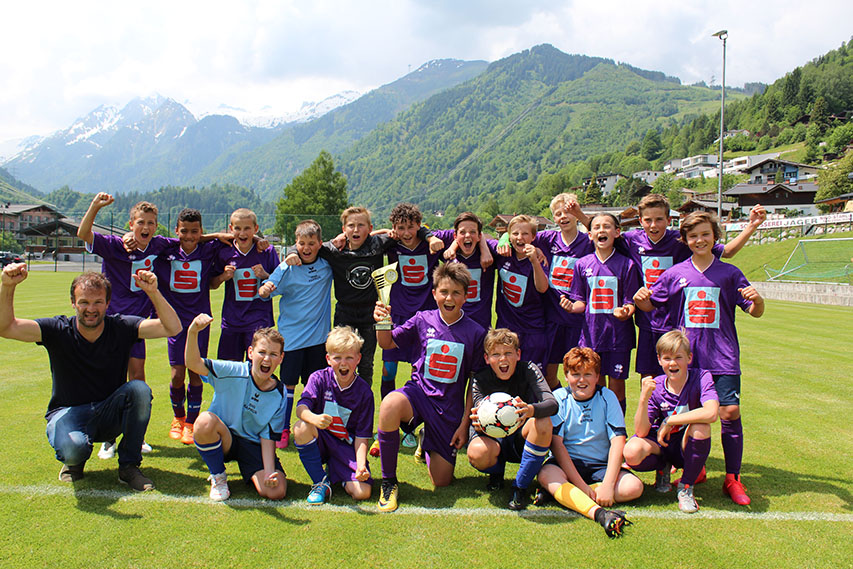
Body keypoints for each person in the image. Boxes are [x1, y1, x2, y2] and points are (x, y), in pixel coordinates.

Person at [0, 263, 182, 490]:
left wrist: (153, 292)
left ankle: (129, 467)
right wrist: (7, 286)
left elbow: (172, 327)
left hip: (109, 413)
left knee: (139, 390)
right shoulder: (58, 329)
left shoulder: (121, 327)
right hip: (68, 412)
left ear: (107, 303)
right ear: (73, 303)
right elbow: (6, 327)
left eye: (98, 302)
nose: (91, 309)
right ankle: (75, 462)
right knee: (72, 449)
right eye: (84, 302)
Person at [633, 211, 765, 506]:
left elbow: (754, 311)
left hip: (723, 355)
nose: (699, 240)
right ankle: (694, 469)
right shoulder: (675, 273)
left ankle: (733, 478)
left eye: (705, 234)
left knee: (729, 413)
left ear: (715, 236)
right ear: (685, 240)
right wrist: (640, 299)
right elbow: (650, 304)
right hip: (686, 359)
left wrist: (758, 300)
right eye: (693, 236)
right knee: (686, 418)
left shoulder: (730, 273)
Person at [283, 206, 441, 388]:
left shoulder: (378, 244)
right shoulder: (334, 249)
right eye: (351, 225)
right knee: (339, 361)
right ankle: (338, 402)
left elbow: (412, 229)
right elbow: (305, 244)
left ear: (370, 228)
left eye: (361, 225)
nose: (356, 230)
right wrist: (293, 253)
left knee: (366, 364)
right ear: (344, 229)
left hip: (370, 314)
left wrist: (429, 236)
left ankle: (363, 407)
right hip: (345, 314)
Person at [373, 263, 487, 512]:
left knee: (442, 481)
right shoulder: (422, 319)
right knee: (390, 404)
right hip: (418, 394)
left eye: (456, 292)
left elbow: (474, 383)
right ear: (434, 293)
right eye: (444, 291)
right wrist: (383, 321)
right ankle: (389, 483)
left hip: (448, 408)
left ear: (466, 297)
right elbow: (387, 343)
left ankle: (425, 440)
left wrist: (464, 423)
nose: (449, 297)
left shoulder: (476, 332)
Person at [618, 194, 766, 383]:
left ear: (669, 220)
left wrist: (752, 225)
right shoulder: (631, 239)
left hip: (676, 322)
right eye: (648, 220)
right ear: (640, 221)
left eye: (659, 219)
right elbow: (600, 235)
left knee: (678, 380)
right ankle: (653, 413)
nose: (653, 225)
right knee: (649, 379)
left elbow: (727, 252)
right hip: (649, 322)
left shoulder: (683, 239)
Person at [77, 192, 172, 457]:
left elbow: (192, 239)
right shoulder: (115, 245)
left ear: (156, 226)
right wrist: (95, 206)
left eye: (151, 223)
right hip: (109, 324)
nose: (146, 227)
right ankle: (109, 436)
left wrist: (223, 237)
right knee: (109, 379)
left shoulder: (159, 244)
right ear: (131, 224)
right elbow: (84, 234)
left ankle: (136, 436)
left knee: (138, 379)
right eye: (140, 222)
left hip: (137, 326)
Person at [537, 347, 643, 538]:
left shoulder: (608, 397)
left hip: (600, 465)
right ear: (566, 376)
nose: (581, 380)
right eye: (575, 374)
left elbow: (618, 441)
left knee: (634, 487)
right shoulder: (560, 398)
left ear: (597, 377)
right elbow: (558, 446)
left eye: (588, 374)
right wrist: (580, 484)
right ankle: (589, 505)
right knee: (546, 474)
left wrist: (609, 485)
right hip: (567, 464)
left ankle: (563, 495)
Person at [184, 313, 287, 501]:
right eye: (262, 352)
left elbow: (268, 436)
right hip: (226, 437)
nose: (267, 359)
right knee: (204, 421)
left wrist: (270, 473)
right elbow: (193, 363)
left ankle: (256, 471)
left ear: (281, 358)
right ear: (250, 353)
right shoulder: (233, 371)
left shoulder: (280, 394)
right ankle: (218, 477)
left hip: (253, 445)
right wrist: (192, 332)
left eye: (273, 354)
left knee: (276, 491)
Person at [623, 330, 718, 513]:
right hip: (661, 444)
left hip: (683, 444)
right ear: (659, 360)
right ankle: (662, 468)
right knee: (631, 451)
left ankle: (686, 487)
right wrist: (643, 398)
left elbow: (712, 412)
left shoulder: (701, 377)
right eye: (667, 358)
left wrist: (671, 420)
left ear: (689, 358)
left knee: (701, 428)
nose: (672, 363)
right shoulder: (657, 385)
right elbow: (641, 432)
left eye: (678, 357)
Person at [154, 208, 227, 445]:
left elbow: (214, 284)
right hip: (174, 321)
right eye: (184, 231)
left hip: (199, 321)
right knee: (177, 375)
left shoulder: (209, 250)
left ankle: (191, 422)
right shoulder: (165, 249)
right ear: (176, 231)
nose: (189, 236)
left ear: (201, 232)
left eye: (195, 231)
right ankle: (178, 417)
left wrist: (223, 275)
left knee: (196, 372)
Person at [259, 219, 333, 449]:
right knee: (288, 386)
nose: (306, 248)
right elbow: (265, 292)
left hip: (319, 340)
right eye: (301, 243)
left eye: (311, 243)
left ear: (320, 243)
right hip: (291, 340)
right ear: (296, 243)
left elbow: (343, 240)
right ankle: (283, 429)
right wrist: (266, 288)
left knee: (316, 386)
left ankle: (315, 427)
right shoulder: (286, 267)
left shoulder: (327, 265)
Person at [468, 328, 556, 510]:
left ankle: (520, 486)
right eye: (496, 354)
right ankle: (496, 473)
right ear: (487, 358)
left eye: (508, 353)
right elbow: (477, 413)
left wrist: (530, 409)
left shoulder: (529, 369)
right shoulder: (480, 379)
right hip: (493, 438)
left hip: (520, 438)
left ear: (518, 354)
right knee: (477, 452)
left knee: (544, 423)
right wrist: (478, 423)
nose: (503, 359)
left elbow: (552, 404)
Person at [561, 213, 639, 415]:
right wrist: (571, 307)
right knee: (594, 386)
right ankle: (599, 430)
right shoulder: (582, 264)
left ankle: (618, 429)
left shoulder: (627, 265)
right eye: (596, 227)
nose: (601, 230)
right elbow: (581, 302)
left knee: (617, 390)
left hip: (618, 337)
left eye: (607, 226)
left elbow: (630, 303)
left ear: (617, 232)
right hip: (591, 336)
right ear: (589, 234)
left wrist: (625, 312)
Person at [293, 326, 374, 505]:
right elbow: (301, 408)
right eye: (337, 358)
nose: (343, 363)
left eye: (349, 358)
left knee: (362, 492)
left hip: (345, 447)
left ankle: (339, 471)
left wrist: (361, 465)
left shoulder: (364, 392)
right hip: (320, 440)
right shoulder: (318, 378)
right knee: (301, 427)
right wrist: (314, 418)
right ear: (328, 359)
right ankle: (320, 482)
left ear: (358, 359)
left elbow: (362, 436)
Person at [211, 208, 279, 361]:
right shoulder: (224, 252)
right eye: (238, 228)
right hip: (231, 321)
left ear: (255, 229)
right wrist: (223, 276)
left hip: (259, 322)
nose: (242, 233)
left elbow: (281, 283)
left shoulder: (267, 251)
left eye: (247, 228)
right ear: (231, 229)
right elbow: (212, 284)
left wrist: (265, 276)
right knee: (229, 371)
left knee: (257, 371)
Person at [494, 215, 550, 373]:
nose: (520, 238)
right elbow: (482, 239)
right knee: (506, 375)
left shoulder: (539, 257)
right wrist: (503, 238)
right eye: (515, 233)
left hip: (533, 329)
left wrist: (534, 262)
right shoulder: (503, 252)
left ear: (533, 237)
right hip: (506, 327)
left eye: (525, 234)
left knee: (532, 378)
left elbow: (542, 288)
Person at [434, 212, 496, 330]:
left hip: (480, 323)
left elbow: (511, 241)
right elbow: (419, 232)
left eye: (473, 232)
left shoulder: (489, 250)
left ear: (479, 236)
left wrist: (484, 248)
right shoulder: (448, 252)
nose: (467, 235)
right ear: (455, 236)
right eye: (462, 232)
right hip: (453, 323)